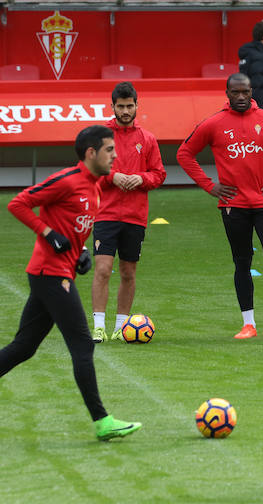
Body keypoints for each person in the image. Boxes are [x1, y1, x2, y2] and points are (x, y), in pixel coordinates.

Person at [3, 125, 142, 441]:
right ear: (91, 153)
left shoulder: (94, 188)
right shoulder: (67, 181)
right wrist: (48, 234)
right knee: (82, 345)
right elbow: (18, 203)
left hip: (56, 274)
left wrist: (79, 252)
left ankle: (102, 421)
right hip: (49, 276)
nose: (115, 155)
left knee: (23, 348)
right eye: (109, 149)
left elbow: (71, 226)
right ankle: (102, 421)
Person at [177, 73, 263, 339]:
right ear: (227, 93)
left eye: (245, 92)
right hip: (232, 206)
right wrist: (210, 186)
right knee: (242, 262)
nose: (240, 97)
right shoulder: (214, 123)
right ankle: (249, 324)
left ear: (252, 92)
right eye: (235, 92)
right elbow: (184, 153)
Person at [91, 82, 167, 343]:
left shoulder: (147, 139)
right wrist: (113, 176)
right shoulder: (100, 137)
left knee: (128, 272)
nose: (125, 111)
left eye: (129, 106)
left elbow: (158, 174)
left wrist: (141, 179)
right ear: (112, 106)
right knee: (102, 269)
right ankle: (98, 326)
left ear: (137, 105)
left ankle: (122, 327)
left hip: (135, 216)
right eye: (120, 106)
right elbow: (89, 171)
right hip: (106, 213)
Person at [238, 22, 263, 112]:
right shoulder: (258, 57)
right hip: (258, 107)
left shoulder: (249, 54)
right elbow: (258, 86)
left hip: (247, 104)